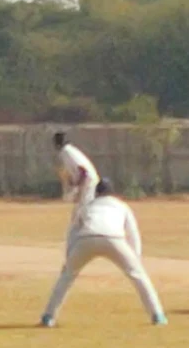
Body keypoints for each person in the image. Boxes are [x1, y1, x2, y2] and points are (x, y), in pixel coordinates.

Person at [40, 179, 167, 328]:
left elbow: (72, 233)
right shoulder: (122, 206)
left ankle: (49, 317)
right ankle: (157, 315)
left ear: (96, 194)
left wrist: (69, 259)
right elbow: (133, 234)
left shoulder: (86, 207)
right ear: (113, 193)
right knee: (139, 276)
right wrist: (136, 259)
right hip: (115, 239)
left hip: (85, 239)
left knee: (66, 277)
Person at [54, 131, 99, 222]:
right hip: (87, 181)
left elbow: (83, 171)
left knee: (82, 211)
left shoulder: (66, 151)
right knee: (80, 211)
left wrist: (78, 187)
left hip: (88, 182)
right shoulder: (68, 151)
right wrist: (74, 183)